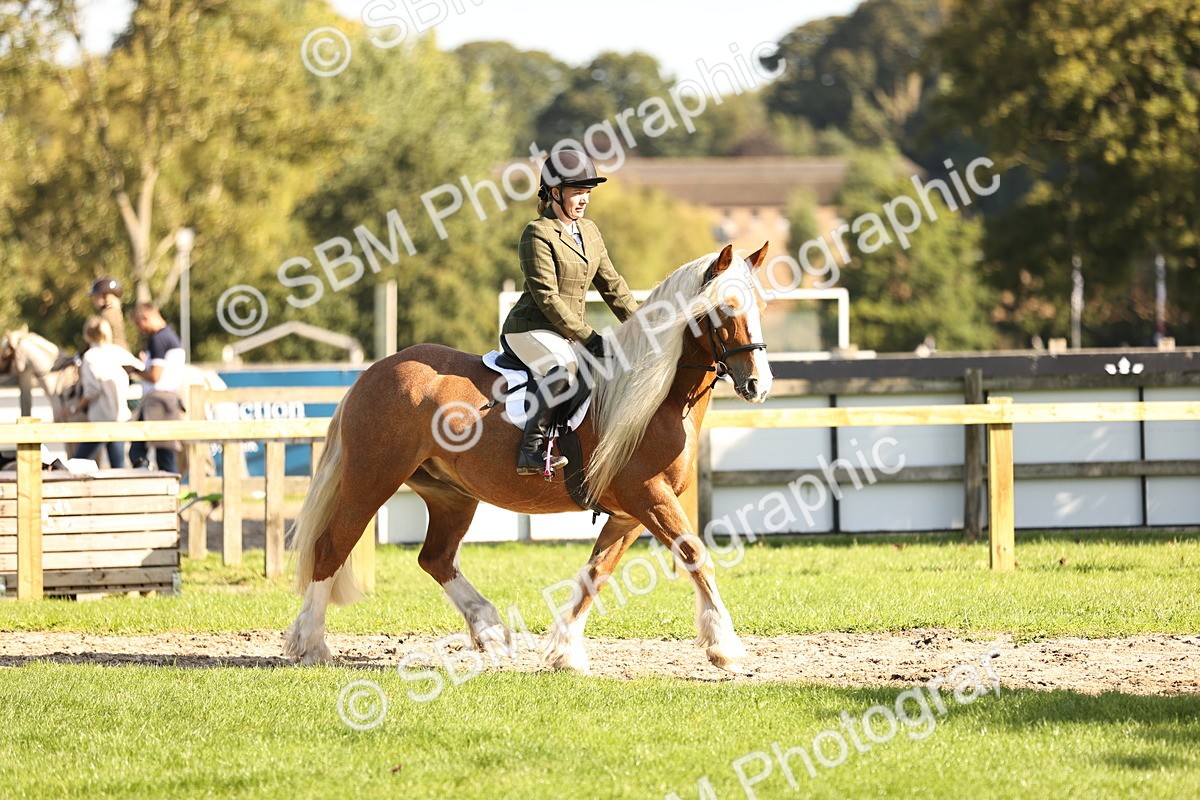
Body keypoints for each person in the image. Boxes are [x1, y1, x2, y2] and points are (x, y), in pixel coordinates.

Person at [500, 149, 639, 475]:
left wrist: (644, 325)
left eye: (587, 193)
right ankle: (530, 451)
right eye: (578, 192)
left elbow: (613, 286)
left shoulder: (589, 232)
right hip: (529, 328)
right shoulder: (537, 233)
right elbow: (547, 298)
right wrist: (589, 337)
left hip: (565, 331)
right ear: (555, 193)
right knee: (563, 366)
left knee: (607, 367)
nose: (584, 200)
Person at [71, 317, 141, 468]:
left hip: (100, 419)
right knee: (118, 466)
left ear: (88, 334)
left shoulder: (90, 356)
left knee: (77, 462)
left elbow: (92, 391)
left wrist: (75, 408)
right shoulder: (118, 352)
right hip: (120, 417)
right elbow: (139, 367)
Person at [126, 303, 186, 473]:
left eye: (139, 324)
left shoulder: (158, 338)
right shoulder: (170, 336)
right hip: (168, 400)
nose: (140, 329)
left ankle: (150, 484)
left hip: (158, 401)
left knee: (140, 450)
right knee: (163, 453)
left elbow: (155, 376)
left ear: (145, 318)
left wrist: (135, 370)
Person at [90, 276, 128, 350]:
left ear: (104, 297)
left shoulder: (106, 314)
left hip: (113, 354)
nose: (94, 300)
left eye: (96, 297)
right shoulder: (115, 311)